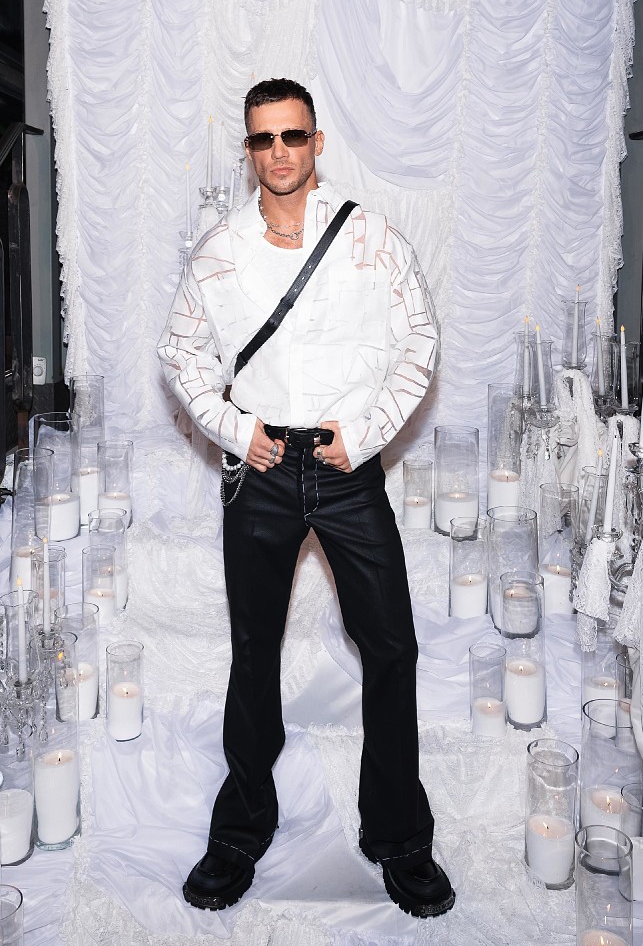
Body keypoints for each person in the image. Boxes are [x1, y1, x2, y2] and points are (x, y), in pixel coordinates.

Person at [157, 78, 454, 919]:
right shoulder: (220, 249)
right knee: (254, 651)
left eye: (292, 136)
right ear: (248, 149)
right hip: (260, 471)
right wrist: (230, 426)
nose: (278, 152)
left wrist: (364, 435)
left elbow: (420, 339)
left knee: (390, 647)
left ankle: (397, 835)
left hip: (345, 466)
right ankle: (240, 830)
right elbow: (179, 353)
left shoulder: (370, 236)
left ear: (316, 141)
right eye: (263, 139)